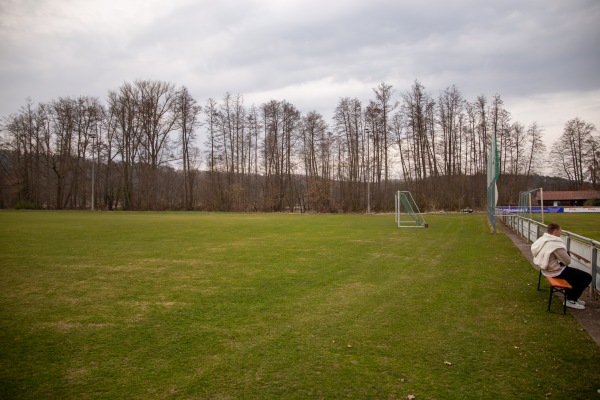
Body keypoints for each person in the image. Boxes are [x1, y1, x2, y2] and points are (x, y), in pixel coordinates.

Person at [531, 222, 592, 309]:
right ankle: (571, 300)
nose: (561, 232)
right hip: (554, 271)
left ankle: (573, 296)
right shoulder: (555, 244)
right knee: (587, 277)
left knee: (573, 275)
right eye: (560, 230)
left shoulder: (542, 239)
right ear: (555, 232)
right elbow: (567, 261)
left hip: (545, 269)